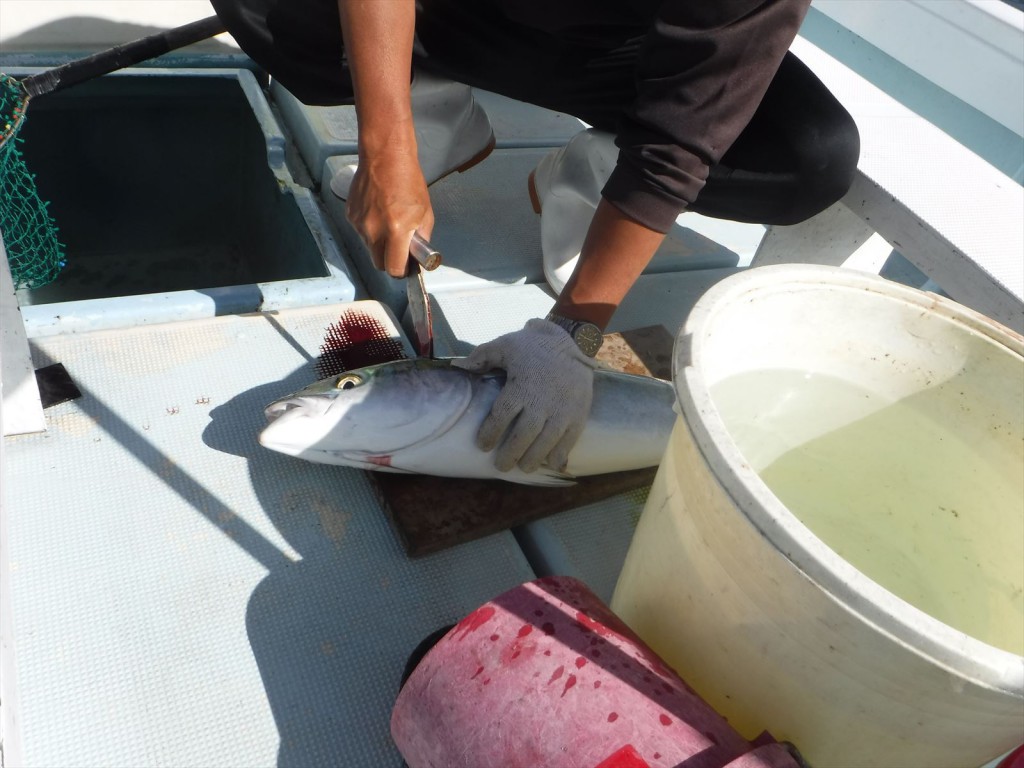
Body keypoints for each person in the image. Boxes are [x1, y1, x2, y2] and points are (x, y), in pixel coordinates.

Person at [212, 0, 860, 475]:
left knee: (807, 158)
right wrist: (387, 143)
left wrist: (570, 334)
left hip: (627, 47)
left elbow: (683, 136)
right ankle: (427, 110)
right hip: (455, 17)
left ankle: (590, 175)